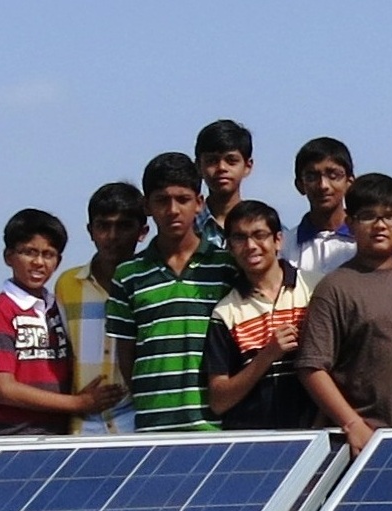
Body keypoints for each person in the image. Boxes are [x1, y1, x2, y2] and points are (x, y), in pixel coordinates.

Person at [300, 173, 392, 452]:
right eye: (368, 216)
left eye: (389, 216)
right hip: (359, 441)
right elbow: (312, 367)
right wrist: (352, 424)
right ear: (350, 223)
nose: (380, 225)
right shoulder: (334, 287)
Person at [111, 152, 238, 433]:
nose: (172, 210)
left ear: (199, 203)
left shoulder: (226, 267)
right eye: (161, 200)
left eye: (182, 199)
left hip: (216, 425)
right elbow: (127, 354)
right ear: (147, 206)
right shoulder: (128, 275)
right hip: (152, 424)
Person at [0, 209, 124, 435]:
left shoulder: (57, 307)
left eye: (48, 254)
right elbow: (3, 389)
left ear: (58, 261)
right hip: (11, 437)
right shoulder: (1, 309)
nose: (38, 262)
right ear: (8, 256)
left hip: (56, 436)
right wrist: (78, 404)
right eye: (29, 252)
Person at [204, 201, 318, 430]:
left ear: (278, 240)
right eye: (239, 238)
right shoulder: (226, 312)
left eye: (259, 235)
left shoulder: (315, 287)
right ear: (229, 246)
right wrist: (268, 355)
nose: (251, 246)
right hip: (254, 444)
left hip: (315, 435)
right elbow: (218, 400)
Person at [55, 182, 144, 434]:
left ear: (142, 231)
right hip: (83, 428)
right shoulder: (67, 285)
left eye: (124, 226)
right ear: (90, 230)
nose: (112, 236)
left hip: (137, 425)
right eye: (103, 226)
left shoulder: (151, 284)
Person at [286, 137, 357, 275]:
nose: (323, 185)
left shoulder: (367, 240)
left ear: (349, 182)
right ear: (300, 185)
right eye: (312, 177)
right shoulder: (286, 246)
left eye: (333, 175)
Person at [193, 119, 252, 252]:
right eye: (212, 161)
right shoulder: (187, 228)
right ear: (198, 166)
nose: (221, 168)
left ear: (248, 166)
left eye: (231, 161)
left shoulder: (265, 228)